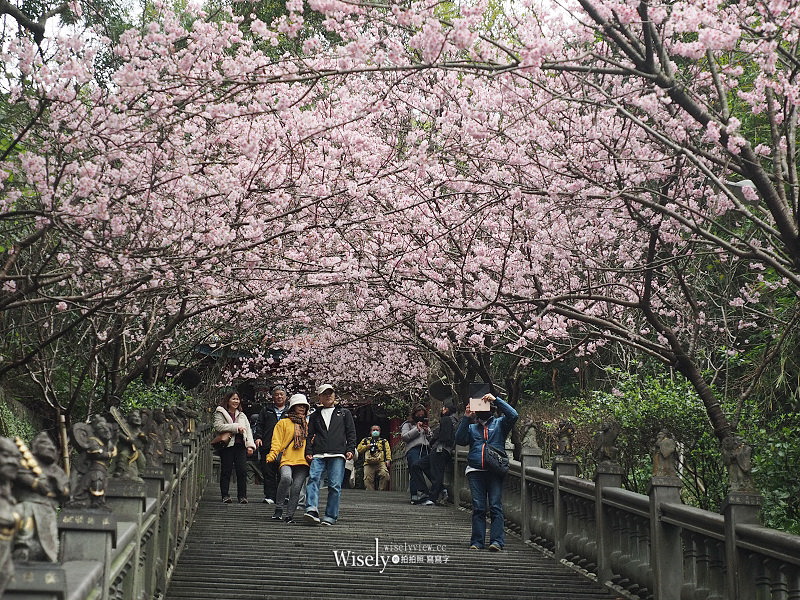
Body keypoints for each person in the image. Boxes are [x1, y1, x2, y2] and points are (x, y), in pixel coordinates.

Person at [455, 392, 518, 551]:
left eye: (485, 404)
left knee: (495, 506)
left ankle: (497, 541)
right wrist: (465, 417)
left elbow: (513, 415)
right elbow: (459, 439)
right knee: (478, 507)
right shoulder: (471, 427)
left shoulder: (500, 424)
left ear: (491, 407)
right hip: (475, 470)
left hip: (494, 469)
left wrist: (496, 399)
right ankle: (477, 541)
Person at [303, 384, 356, 526]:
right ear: (319, 397)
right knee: (313, 478)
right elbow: (309, 435)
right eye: (325, 394)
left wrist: (350, 449)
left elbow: (351, 433)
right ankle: (311, 509)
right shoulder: (314, 415)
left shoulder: (344, 413)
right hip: (319, 452)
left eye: (331, 393)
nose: (328, 396)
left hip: (338, 452)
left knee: (334, 485)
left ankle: (331, 515)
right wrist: (308, 451)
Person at [265, 394, 311, 523]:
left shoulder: (308, 424)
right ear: (293, 407)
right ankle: (279, 507)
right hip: (286, 458)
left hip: (303, 460)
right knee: (286, 478)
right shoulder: (283, 423)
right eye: (299, 405)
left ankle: (290, 515)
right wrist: (272, 455)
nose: (302, 408)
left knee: (296, 488)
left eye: (304, 406)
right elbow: (277, 441)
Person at [214, 391, 256, 504]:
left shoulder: (242, 415)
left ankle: (242, 496)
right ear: (228, 400)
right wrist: (236, 427)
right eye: (233, 399)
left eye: (237, 399)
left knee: (242, 471)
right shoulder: (220, 413)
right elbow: (218, 426)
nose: (236, 401)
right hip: (227, 445)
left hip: (240, 445)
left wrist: (250, 446)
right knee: (226, 470)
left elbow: (248, 431)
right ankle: (225, 495)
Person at [254, 385, 289, 504]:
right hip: (268, 444)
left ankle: (282, 496)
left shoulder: (290, 411)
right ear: (272, 397)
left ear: (286, 397)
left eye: (281, 394)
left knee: (283, 473)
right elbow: (259, 425)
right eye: (276, 394)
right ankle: (269, 496)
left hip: (285, 447)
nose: (279, 397)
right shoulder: (266, 410)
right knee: (268, 472)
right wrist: (258, 437)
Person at [401, 405, 434, 505]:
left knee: (428, 470)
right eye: (418, 415)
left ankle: (434, 491)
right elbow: (404, 437)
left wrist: (428, 431)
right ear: (414, 415)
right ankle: (417, 495)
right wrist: (417, 429)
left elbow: (431, 439)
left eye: (422, 415)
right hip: (413, 450)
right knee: (414, 468)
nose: (420, 417)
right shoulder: (408, 425)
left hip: (425, 449)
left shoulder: (426, 425)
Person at [429, 403, 457, 504]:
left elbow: (443, 436)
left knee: (436, 473)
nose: (442, 410)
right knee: (436, 471)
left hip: (440, 449)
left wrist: (433, 440)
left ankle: (434, 496)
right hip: (447, 450)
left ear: (447, 410)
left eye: (444, 408)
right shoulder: (455, 421)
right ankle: (440, 491)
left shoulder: (446, 420)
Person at [356, 425, 392, 491]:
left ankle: (381, 491)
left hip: (380, 462)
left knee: (385, 475)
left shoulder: (384, 441)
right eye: (374, 430)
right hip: (368, 462)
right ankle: (370, 494)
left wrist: (388, 460)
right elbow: (358, 450)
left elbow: (387, 450)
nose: (375, 431)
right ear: (370, 432)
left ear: (380, 432)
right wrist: (367, 446)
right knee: (367, 479)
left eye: (377, 430)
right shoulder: (365, 440)